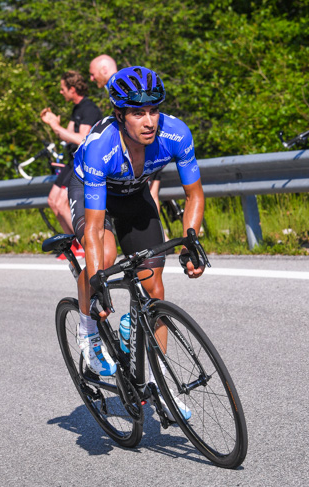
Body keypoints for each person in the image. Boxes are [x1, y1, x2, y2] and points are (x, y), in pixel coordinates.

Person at [69, 66, 205, 417]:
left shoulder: (176, 134)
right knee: (106, 255)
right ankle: (87, 333)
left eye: (154, 110)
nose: (149, 121)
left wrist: (191, 243)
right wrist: (99, 282)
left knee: (154, 288)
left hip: (134, 195)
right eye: (137, 112)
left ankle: (158, 387)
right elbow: (96, 230)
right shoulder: (102, 148)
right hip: (92, 195)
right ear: (119, 114)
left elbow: (195, 196)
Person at [40, 70, 102, 253]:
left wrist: (56, 126)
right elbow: (67, 136)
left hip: (83, 162)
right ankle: (72, 245)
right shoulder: (77, 109)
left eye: (62, 89)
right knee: (53, 201)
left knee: (61, 203)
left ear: (72, 89)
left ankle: (84, 245)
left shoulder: (89, 109)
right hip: (71, 160)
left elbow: (82, 138)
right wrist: (53, 123)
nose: (61, 92)